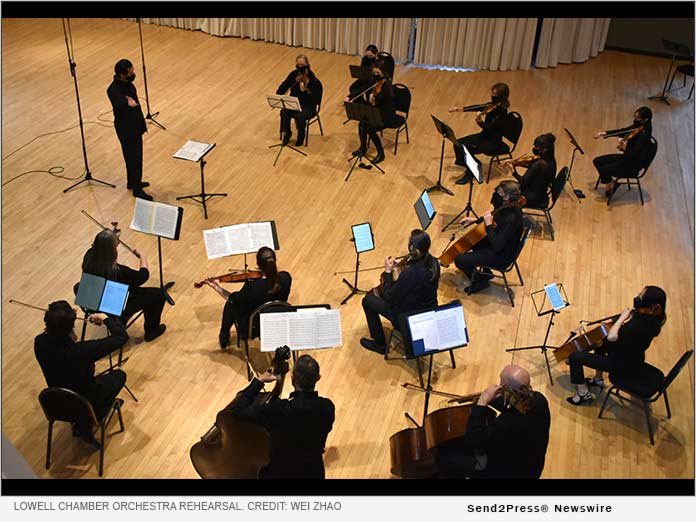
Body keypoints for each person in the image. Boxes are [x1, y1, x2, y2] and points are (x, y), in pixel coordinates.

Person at [34, 300, 128, 448]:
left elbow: (55, 339)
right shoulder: (81, 351)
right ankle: (95, 413)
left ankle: (81, 423)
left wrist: (67, 334)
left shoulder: (39, 343)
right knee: (119, 375)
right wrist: (105, 319)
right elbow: (121, 337)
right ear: (70, 328)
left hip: (58, 402)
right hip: (86, 400)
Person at [434, 364, 550, 479]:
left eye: (501, 382)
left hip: (507, 472)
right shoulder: (540, 400)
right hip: (533, 467)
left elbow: (474, 439)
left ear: (505, 388)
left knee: (444, 458)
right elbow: (513, 406)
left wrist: (482, 403)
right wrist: (492, 399)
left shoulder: (505, 423)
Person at [231, 354, 335, 478]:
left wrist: (259, 381)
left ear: (292, 378)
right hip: (313, 473)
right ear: (318, 378)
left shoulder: (278, 410)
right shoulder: (327, 407)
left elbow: (239, 408)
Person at [566, 286, 667, 405]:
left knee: (574, 357)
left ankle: (582, 393)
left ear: (649, 305)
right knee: (600, 345)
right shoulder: (653, 319)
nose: (638, 295)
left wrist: (622, 318)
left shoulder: (638, 326)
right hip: (634, 358)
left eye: (641, 295)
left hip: (620, 365)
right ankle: (598, 380)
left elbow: (612, 337)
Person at [360, 229, 440, 355]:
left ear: (413, 248)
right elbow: (417, 275)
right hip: (429, 313)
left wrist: (387, 272)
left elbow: (388, 297)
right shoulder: (434, 263)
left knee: (367, 300)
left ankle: (380, 344)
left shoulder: (410, 274)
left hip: (410, 320)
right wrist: (404, 263)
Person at [82, 229, 167, 342]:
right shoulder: (117, 271)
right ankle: (152, 330)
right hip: (113, 304)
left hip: (92, 299)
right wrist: (143, 256)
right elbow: (142, 277)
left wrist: (112, 236)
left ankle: (113, 318)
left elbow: (103, 244)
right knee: (158, 294)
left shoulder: (89, 255)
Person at [205, 246, 292, 349]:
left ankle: (224, 336)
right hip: (276, 322)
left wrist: (217, 287)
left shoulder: (253, 287)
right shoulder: (286, 278)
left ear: (258, 265)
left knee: (230, 304)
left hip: (254, 328)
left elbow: (233, 299)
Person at [454, 180, 524, 295]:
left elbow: (497, 246)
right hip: (498, 244)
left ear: (506, 197)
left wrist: (488, 225)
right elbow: (494, 218)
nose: (495, 193)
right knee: (471, 240)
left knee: (459, 260)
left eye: (499, 192)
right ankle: (486, 271)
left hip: (502, 256)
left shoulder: (512, 217)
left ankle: (480, 281)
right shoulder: (505, 206)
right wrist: (474, 221)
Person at [106, 58, 152, 201]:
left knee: (135, 156)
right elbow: (120, 107)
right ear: (121, 74)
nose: (133, 74)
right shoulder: (113, 90)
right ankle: (137, 189)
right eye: (130, 73)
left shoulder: (128, 84)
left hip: (135, 126)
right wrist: (127, 103)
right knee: (133, 158)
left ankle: (132, 182)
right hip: (126, 129)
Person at [451, 83, 510, 184]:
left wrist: (480, 122)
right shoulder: (492, 105)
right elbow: (478, 107)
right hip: (485, 136)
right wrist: (460, 109)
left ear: (501, 96)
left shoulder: (502, 113)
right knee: (457, 143)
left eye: (494, 95)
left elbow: (489, 129)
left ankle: (472, 170)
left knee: (467, 149)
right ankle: (466, 163)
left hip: (493, 142)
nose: (492, 96)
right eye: (492, 93)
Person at [593, 106, 654, 199]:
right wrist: (605, 133)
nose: (635, 119)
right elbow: (624, 131)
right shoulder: (639, 125)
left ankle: (610, 186)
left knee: (604, 170)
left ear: (645, 119)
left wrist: (624, 147)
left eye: (638, 118)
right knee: (597, 161)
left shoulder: (645, 135)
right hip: (626, 158)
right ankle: (612, 183)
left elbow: (633, 153)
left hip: (632, 165)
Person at [351, 60, 397, 165]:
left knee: (370, 129)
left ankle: (381, 153)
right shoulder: (374, 81)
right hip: (375, 111)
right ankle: (362, 148)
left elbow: (385, 103)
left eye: (378, 73)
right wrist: (350, 97)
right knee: (361, 124)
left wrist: (375, 100)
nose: (375, 75)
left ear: (383, 73)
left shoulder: (387, 86)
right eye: (374, 73)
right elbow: (363, 88)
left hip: (386, 115)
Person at [276, 54, 322, 147]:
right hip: (295, 103)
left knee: (300, 117)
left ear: (307, 65)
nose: (300, 67)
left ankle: (301, 136)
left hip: (309, 106)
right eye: (298, 65)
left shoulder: (313, 80)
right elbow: (284, 85)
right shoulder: (294, 75)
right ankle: (287, 134)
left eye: (302, 65)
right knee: (284, 112)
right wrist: (280, 93)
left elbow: (316, 100)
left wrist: (305, 91)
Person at [502, 133, 557, 208]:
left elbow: (523, 181)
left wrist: (513, 170)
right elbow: (536, 173)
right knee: (506, 187)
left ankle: (509, 214)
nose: (534, 148)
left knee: (502, 191)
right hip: (541, 193)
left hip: (532, 196)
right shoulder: (552, 161)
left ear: (544, 149)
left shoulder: (539, 164)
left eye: (536, 147)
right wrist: (516, 163)